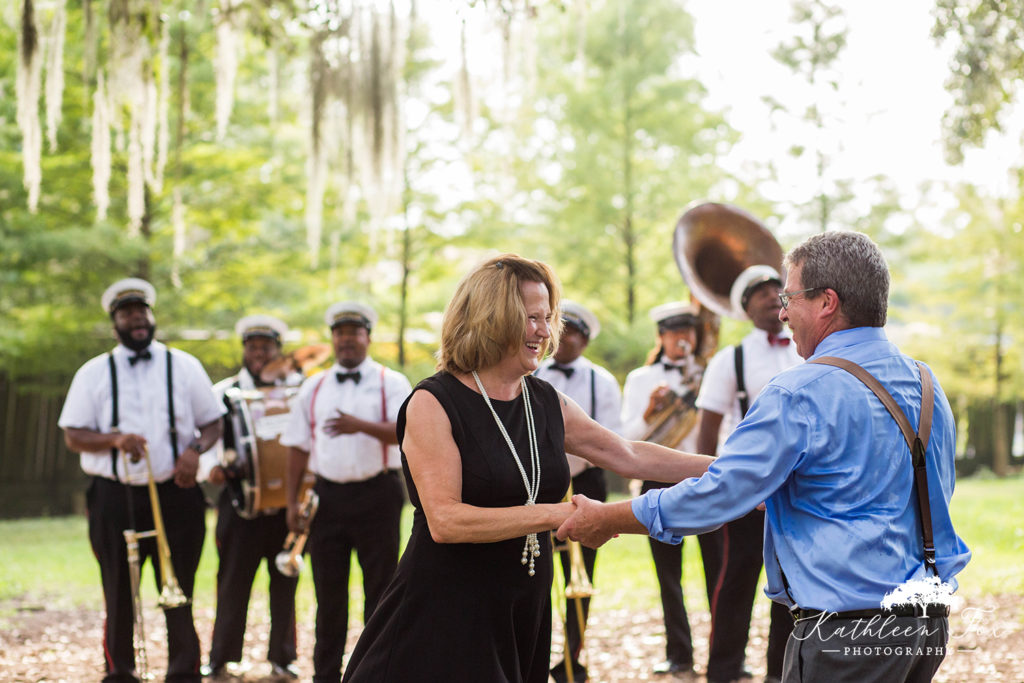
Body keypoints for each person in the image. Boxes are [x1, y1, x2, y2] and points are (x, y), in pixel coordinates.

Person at [559, 231, 972, 683]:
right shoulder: (927, 384)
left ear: (826, 302)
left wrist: (608, 519)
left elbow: (720, 494)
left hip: (845, 634)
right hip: (926, 627)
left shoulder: (799, 392)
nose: (783, 311)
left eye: (790, 297)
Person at [340, 254, 714, 683]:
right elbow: (446, 520)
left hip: (524, 607)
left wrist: (735, 472)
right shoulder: (433, 402)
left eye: (547, 317)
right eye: (530, 317)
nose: (544, 330)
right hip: (446, 609)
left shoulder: (545, 400)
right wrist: (564, 514)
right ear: (491, 317)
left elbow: (628, 454)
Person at [58, 278, 224, 683]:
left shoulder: (184, 365)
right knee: (118, 591)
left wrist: (194, 452)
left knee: (179, 588)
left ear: (151, 317)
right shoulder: (93, 372)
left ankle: (183, 672)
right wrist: (115, 439)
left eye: (141, 311)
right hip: (114, 498)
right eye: (126, 313)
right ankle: (121, 673)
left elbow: (214, 422)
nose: (136, 318)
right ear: (114, 323)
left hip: (178, 493)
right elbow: (73, 435)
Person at [279, 301, 412, 683]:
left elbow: (409, 432)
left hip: (378, 496)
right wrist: (292, 501)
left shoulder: (392, 381)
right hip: (327, 499)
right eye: (340, 334)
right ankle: (326, 675)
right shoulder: (314, 385)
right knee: (329, 595)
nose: (347, 340)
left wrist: (361, 426)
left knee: (381, 592)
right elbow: (297, 446)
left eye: (354, 333)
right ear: (333, 340)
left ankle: (375, 673)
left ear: (367, 337)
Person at [693, 266, 800, 683]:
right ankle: (722, 671)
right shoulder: (729, 359)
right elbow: (707, 430)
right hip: (745, 493)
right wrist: (710, 489)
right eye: (759, 292)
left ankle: (781, 672)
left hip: (795, 491)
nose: (772, 296)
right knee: (735, 582)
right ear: (744, 307)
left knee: (791, 589)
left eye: (777, 288)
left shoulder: (807, 349)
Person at [202, 315, 304, 679]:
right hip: (239, 506)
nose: (259, 353)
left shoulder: (299, 389)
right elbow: (207, 438)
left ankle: (283, 656)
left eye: (267, 346)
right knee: (231, 582)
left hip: (287, 507)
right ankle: (221, 657)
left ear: (279, 349)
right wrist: (212, 468)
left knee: (286, 580)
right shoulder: (224, 392)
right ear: (244, 349)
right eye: (252, 346)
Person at [535, 300, 623, 683]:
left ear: (585, 340)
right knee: (536, 571)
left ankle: (572, 656)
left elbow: (610, 438)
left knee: (580, 579)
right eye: (561, 331)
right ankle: (535, 651)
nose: (566, 339)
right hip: (539, 484)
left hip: (585, 482)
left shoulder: (600, 380)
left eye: (574, 333)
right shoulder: (532, 371)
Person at [620, 301, 709, 679]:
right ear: (661, 337)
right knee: (667, 575)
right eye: (674, 333)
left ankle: (725, 652)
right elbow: (624, 441)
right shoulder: (641, 379)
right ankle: (679, 655)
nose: (682, 339)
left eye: (688, 332)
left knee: (716, 570)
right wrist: (649, 413)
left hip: (705, 479)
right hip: (657, 480)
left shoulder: (709, 375)